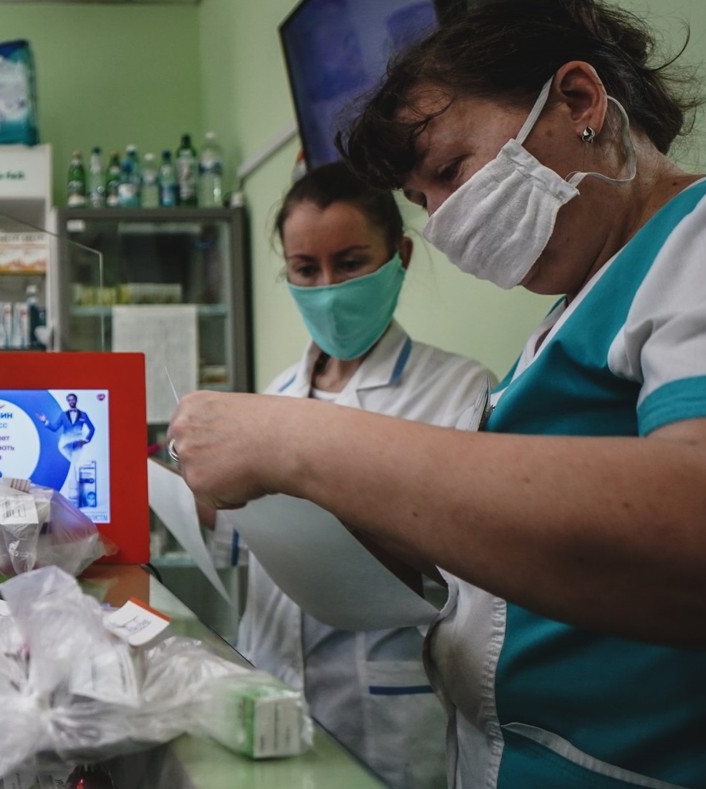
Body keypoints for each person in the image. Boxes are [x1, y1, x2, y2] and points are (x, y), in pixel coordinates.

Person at [168, 2, 706, 787]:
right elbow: (524, 549)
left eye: (449, 171)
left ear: (579, 100)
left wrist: (296, 440)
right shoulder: (565, 323)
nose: (444, 220)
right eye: (424, 201)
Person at [209, 161, 494, 789]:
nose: (328, 288)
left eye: (351, 262)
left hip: (388, 712)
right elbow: (241, 538)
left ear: (401, 257)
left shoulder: (459, 391)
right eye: (306, 269)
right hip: (270, 691)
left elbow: (474, 560)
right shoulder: (275, 395)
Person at [35, 392, 95, 499]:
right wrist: (45, 421)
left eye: (73, 399)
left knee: (75, 465)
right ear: (68, 401)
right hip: (65, 442)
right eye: (69, 400)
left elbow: (92, 429)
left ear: (76, 400)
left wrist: (86, 440)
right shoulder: (63, 415)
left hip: (77, 442)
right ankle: (73, 493)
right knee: (73, 464)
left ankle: (76, 493)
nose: (71, 401)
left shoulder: (83, 414)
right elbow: (55, 428)